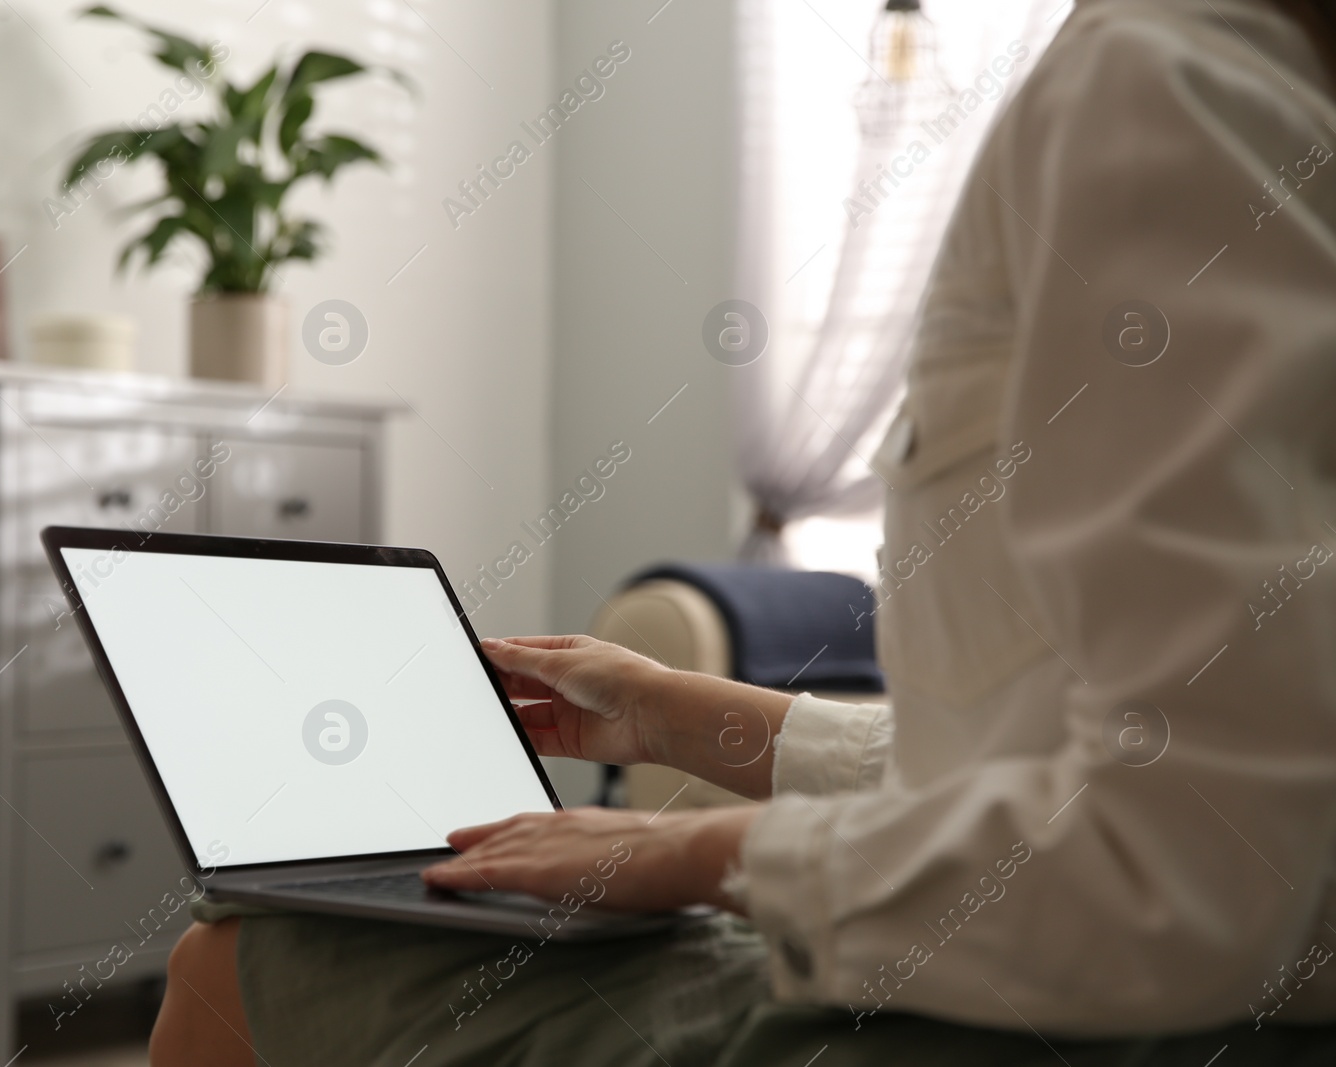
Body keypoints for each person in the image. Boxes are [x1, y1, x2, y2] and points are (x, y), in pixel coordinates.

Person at [149, 0, 1336, 1062]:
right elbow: (1103, 754)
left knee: (254, 949)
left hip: (1153, 1015)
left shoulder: (1160, 76)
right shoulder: (1236, 75)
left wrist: (695, 856)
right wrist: (671, 713)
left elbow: (1190, 864)